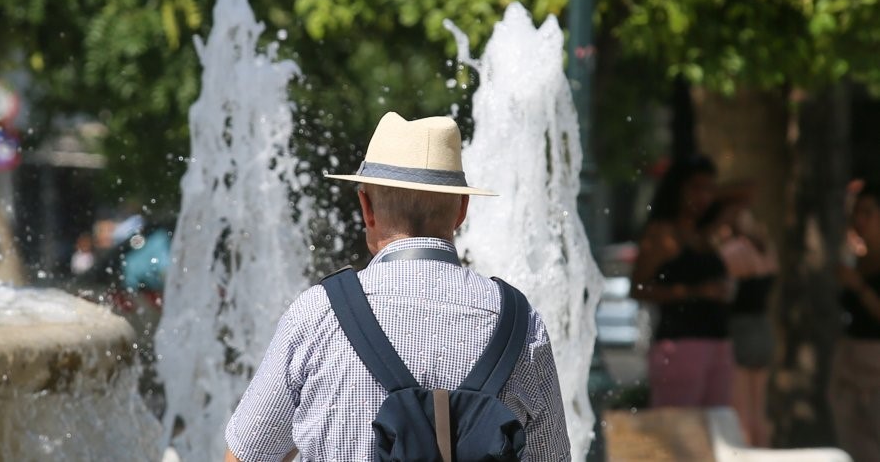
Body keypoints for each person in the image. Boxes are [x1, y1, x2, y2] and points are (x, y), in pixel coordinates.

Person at [224, 113, 570, 462]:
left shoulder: (318, 315)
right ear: (462, 209)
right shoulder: (522, 327)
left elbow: (247, 456)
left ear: (366, 208)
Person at [630, 155, 734, 408]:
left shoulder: (704, 234)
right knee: (678, 436)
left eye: (710, 188)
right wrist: (693, 292)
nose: (704, 197)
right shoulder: (662, 233)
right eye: (696, 187)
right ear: (677, 188)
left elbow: (750, 191)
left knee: (717, 436)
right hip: (679, 345)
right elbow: (638, 288)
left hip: (719, 342)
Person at [707, 193, 776, 446]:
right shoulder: (767, 249)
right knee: (760, 411)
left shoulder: (733, 251)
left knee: (742, 413)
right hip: (763, 329)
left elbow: (725, 291)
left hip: (740, 330)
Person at [831, 181, 880, 461]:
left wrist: (860, 287)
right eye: (856, 213)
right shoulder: (855, 260)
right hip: (850, 363)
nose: (860, 220)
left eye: (868, 212)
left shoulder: (859, 273)